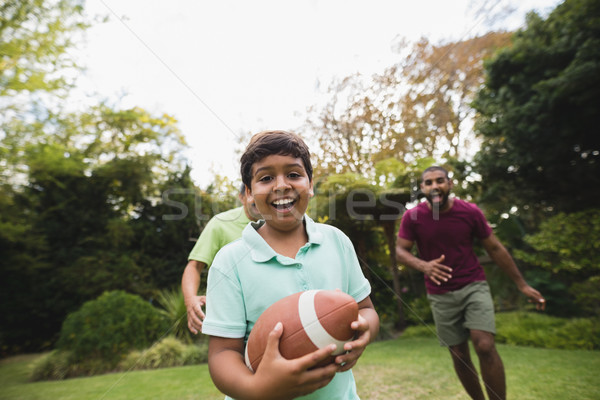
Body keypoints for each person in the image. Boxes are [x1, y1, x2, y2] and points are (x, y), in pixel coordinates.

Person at [202, 130, 380, 400]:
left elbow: (365, 309)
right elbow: (223, 353)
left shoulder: (337, 242)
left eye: (294, 174)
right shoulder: (229, 261)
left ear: (310, 184)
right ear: (249, 194)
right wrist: (258, 389)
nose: (281, 185)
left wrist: (364, 332)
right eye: (266, 178)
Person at [395, 166, 545, 400]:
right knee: (458, 354)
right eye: (429, 182)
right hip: (440, 292)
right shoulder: (412, 217)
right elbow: (400, 251)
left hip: (473, 284)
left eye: (440, 181)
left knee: (484, 345)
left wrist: (522, 284)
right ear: (423, 188)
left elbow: (494, 248)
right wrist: (424, 266)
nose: (435, 186)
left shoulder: (470, 212)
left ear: (450, 184)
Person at [182, 185, 260, 334]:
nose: (256, 201)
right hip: (230, 319)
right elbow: (194, 266)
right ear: (241, 197)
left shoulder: (279, 224)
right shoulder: (220, 223)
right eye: (251, 196)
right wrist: (190, 299)